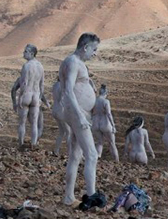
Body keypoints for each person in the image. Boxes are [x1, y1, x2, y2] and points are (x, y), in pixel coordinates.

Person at [59, 33, 101, 205]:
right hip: (78, 113)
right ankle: (91, 196)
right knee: (91, 154)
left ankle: (69, 196)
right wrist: (80, 116)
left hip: (80, 112)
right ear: (85, 47)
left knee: (75, 155)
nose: (95, 53)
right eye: (94, 49)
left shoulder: (77, 63)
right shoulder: (73, 62)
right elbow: (68, 90)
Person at [10, 44, 45, 146]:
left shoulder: (26, 66)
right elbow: (41, 85)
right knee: (34, 123)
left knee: (22, 123)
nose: (23, 53)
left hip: (27, 95)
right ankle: (33, 144)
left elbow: (24, 83)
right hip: (36, 96)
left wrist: (20, 97)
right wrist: (40, 97)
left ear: (32, 53)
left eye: (25, 52)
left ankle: (21, 144)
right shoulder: (40, 66)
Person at [91, 84, 119, 162]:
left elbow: (91, 112)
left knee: (99, 142)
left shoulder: (94, 100)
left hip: (95, 123)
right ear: (106, 93)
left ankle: (97, 159)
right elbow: (108, 114)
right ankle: (116, 160)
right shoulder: (106, 101)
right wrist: (113, 125)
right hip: (105, 123)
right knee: (112, 143)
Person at [51, 77, 69, 157]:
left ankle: (56, 150)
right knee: (69, 132)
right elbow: (63, 98)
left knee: (62, 132)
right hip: (61, 110)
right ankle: (70, 152)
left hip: (54, 109)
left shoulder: (55, 85)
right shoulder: (63, 86)